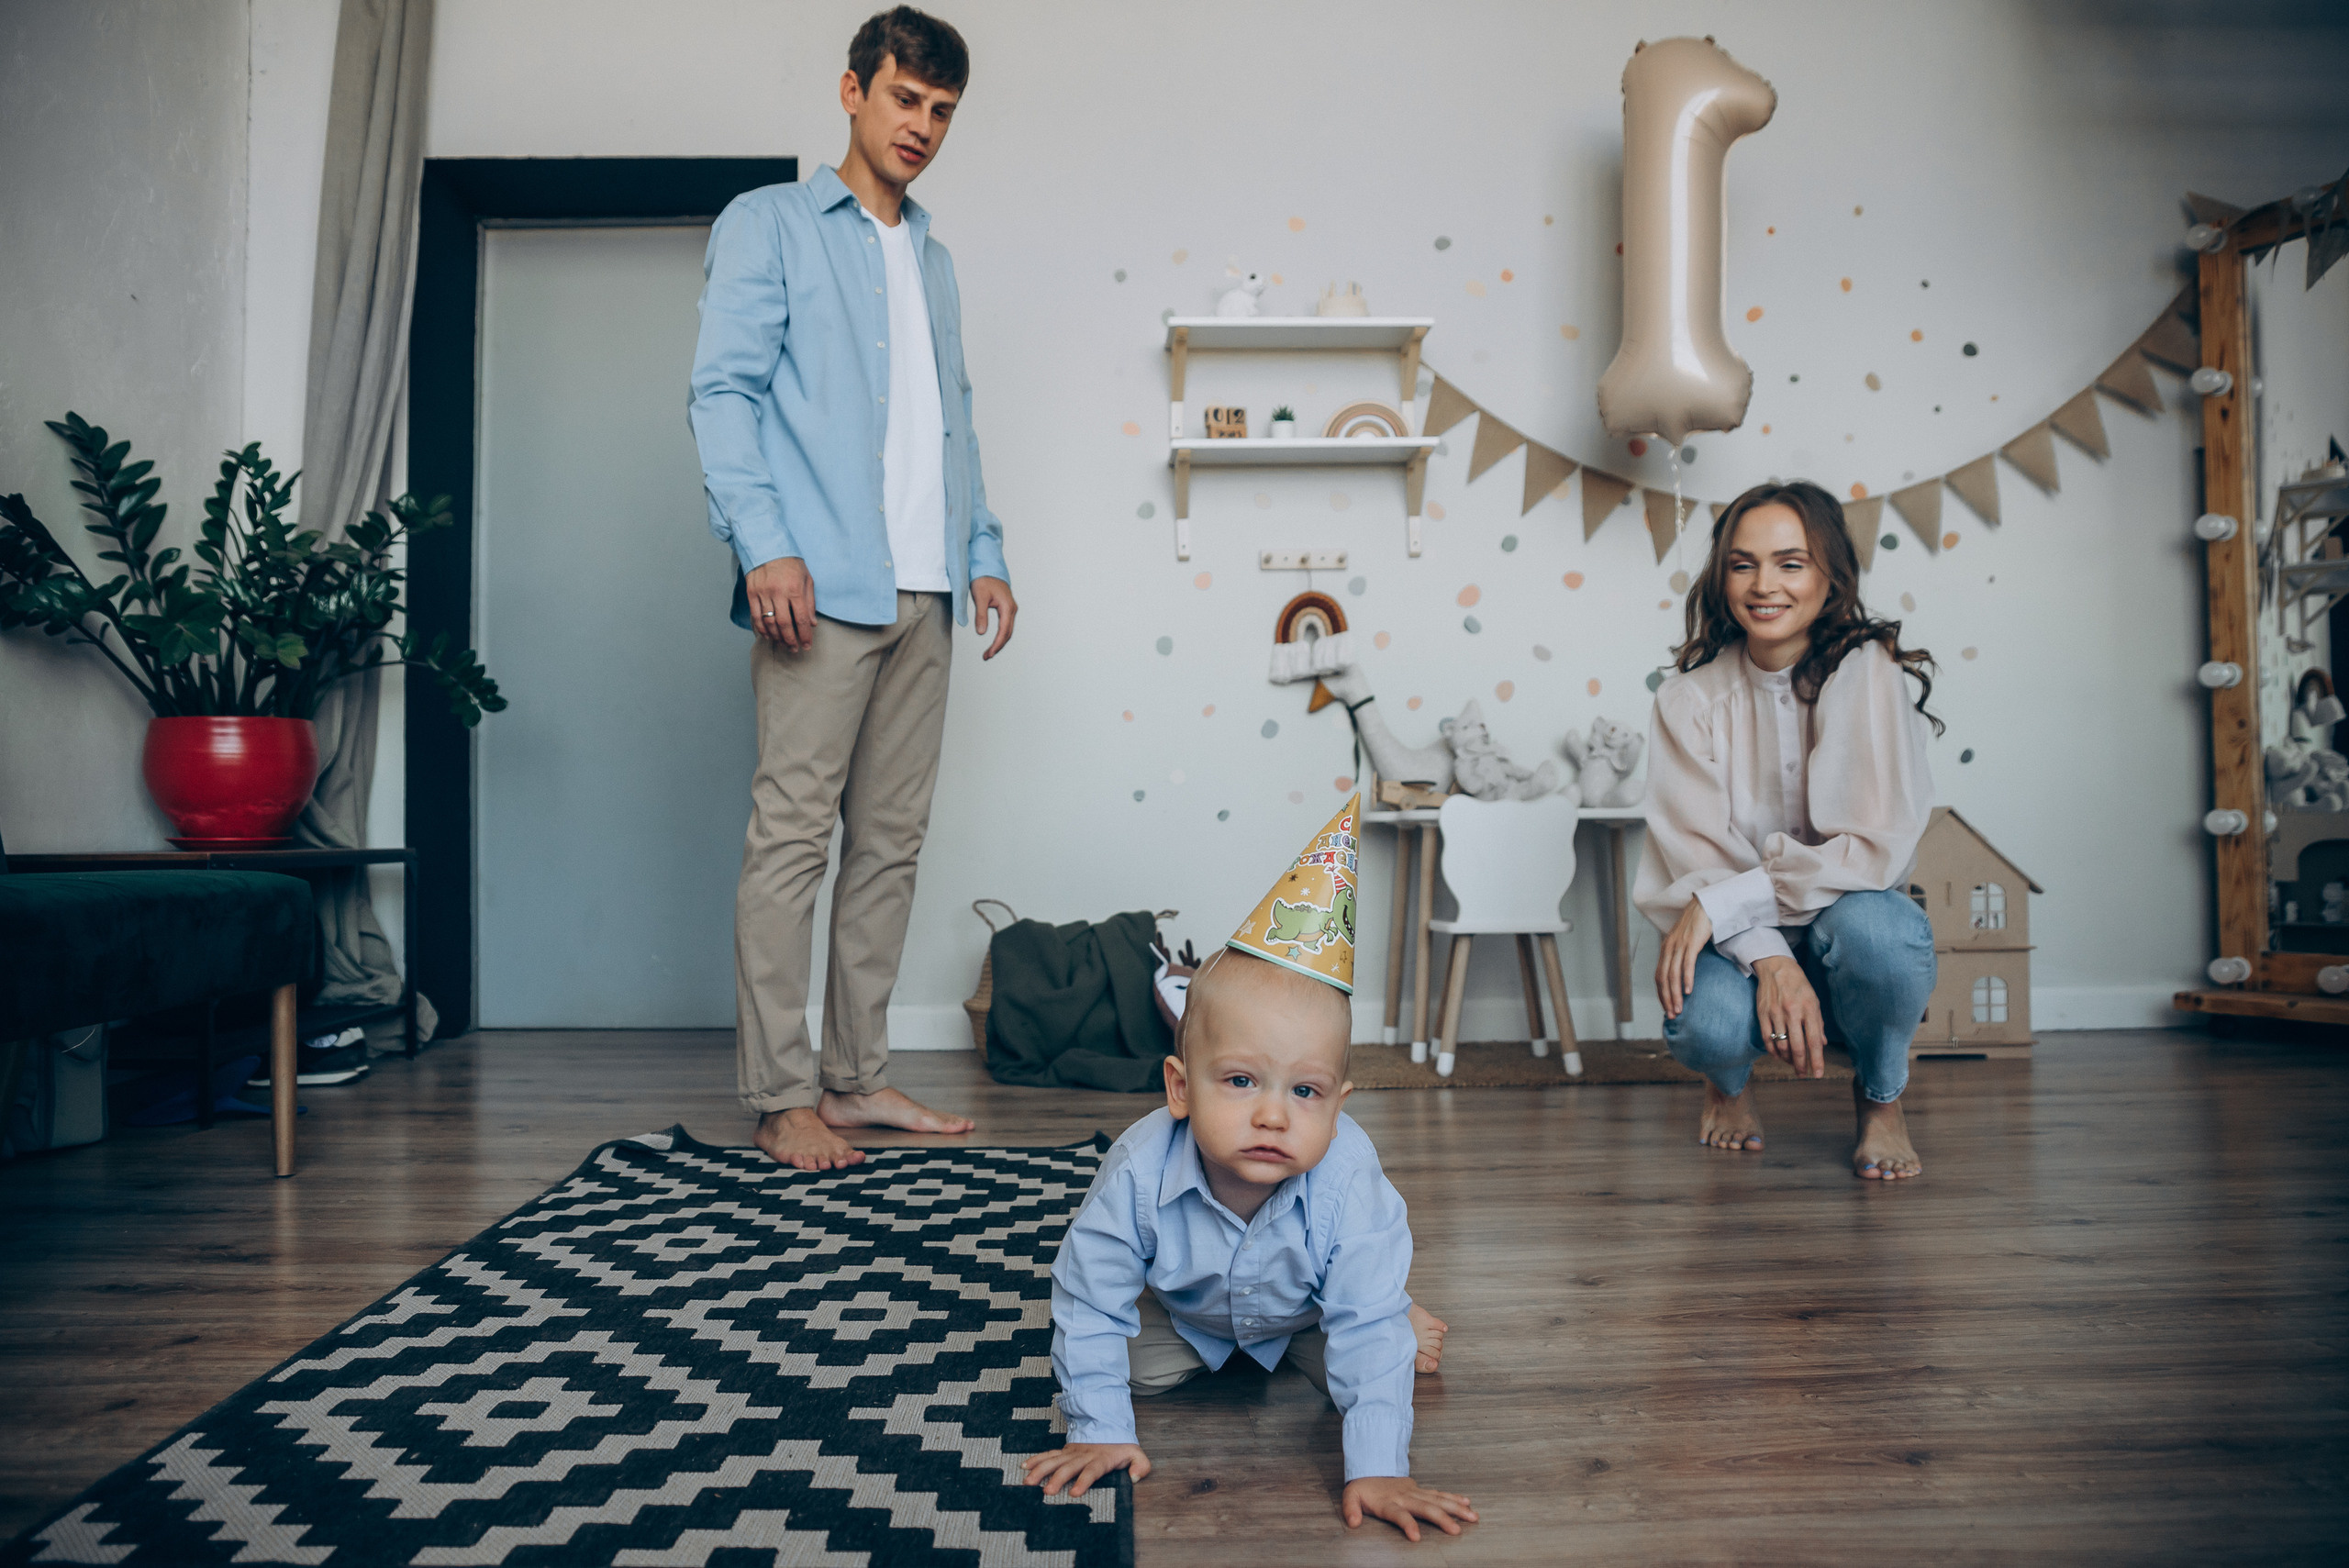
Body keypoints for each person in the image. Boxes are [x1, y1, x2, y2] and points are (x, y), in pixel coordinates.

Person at [687, 7, 1016, 1171]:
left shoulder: (934, 261)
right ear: (852, 92)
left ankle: (855, 1076)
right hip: (817, 584)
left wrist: (983, 547)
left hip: (927, 592)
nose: (921, 125)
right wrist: (763, 544)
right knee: (792, 840)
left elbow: (951, 420)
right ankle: (782, 1095)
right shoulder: (769, 223)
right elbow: (723, 393)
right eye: (904, 99)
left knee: (888, 846)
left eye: (941, 111)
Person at [1024, 800, 1475, 1542]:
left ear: (1339, 1106)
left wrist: (1379, 1467)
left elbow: (1359, 1331)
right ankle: (1255, 1342)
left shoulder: (1349, 1177)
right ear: (1179, 1088)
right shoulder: (1137, 1169)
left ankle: (1395, 1304)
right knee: (1105, 1366)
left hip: (1305, 1314)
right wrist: (1098, 1428)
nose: (1273, 1115)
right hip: (1187, 1313)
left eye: (1306, 1092)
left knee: (1372, 1348)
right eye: (1240, 1081)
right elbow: (1090, 1297)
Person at [1634, 482, 1942, 1179]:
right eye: (1742, 565)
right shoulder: (1686, 701)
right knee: (1705, 1021)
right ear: (1722, 578)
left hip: (1850, 923)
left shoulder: (1869, 672)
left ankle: (1882, 1098)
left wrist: (1726, 901)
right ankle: (1727, 1084)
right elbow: (1697, 861)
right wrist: (1771, 959)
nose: (1764, 585)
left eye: (1791, 563)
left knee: (1884, 936)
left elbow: (1871, 849)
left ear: (1831, 576)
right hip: (1740, 944)